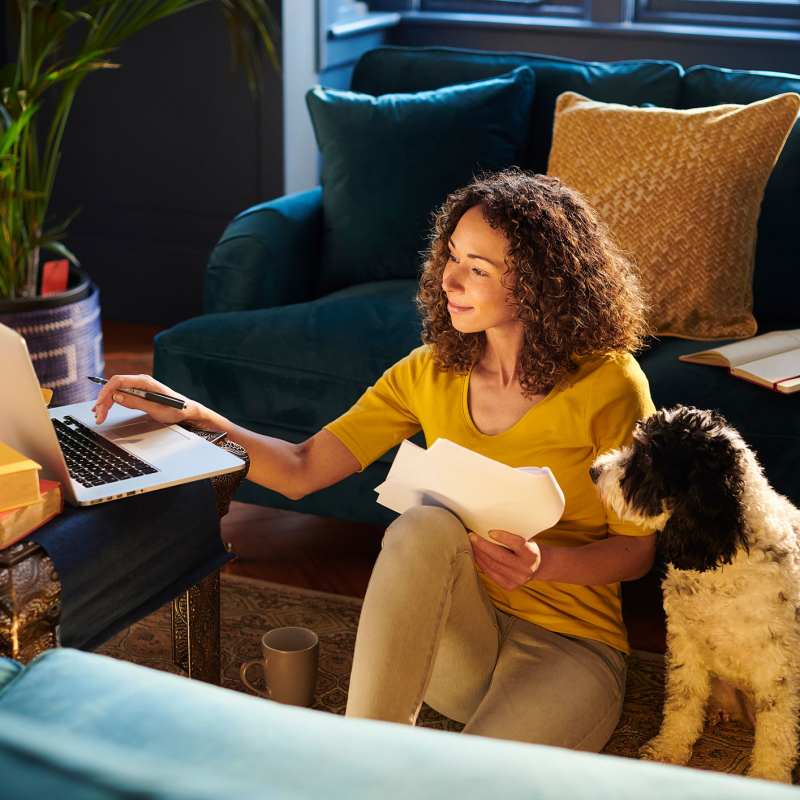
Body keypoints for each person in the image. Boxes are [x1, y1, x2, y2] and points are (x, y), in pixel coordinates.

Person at [93, 169, 657, 752]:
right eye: (452, 256)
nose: (449, 279)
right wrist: (189, 415)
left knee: (472, 783)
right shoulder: (429, 371)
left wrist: (543, 566)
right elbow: (301, 467)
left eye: (477, 269)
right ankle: (360, 758)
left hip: (569, 642)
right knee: (423, 525)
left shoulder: (609, 385)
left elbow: (636, 552)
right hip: (455, 637)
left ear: (538, 285)